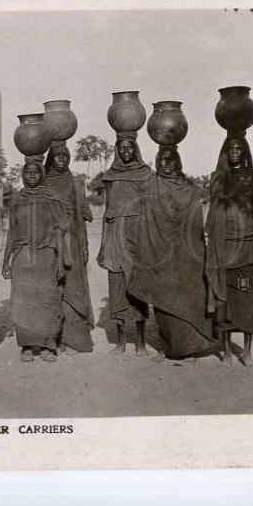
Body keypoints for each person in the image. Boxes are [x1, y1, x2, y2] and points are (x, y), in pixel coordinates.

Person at [128, 146, 218, 361]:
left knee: (190, 297)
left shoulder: (189, 187)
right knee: (164, 299)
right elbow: (145, 221)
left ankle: (193, 348)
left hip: (187, 254)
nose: (166, 164)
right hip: (160, 253)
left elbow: (195, 222)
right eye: (162, 160)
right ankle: (168, 348)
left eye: (170, 160)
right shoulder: (151, 186)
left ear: (178, 161)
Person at [204, 136, 253, 366]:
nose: (235, 152)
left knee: (247, 300)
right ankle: (227, 351)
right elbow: (212, 214)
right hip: (224, 247)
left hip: (248, 246)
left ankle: (248, 351)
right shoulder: (218, 180)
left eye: (239, 148)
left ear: (245, 152)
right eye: (231, 148)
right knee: (224, 300)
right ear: (225, 152)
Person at [2, 161, 68, 363]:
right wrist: (6, 262)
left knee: (47, 300)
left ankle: (49, 346)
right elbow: (12, 231)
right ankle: (27, 346)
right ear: (23, 175)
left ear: (41, 174)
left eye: (35, 172)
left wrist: (60, 260)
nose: (31, 175)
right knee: (23, 302)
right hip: (22, 257)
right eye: (27, 172)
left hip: (46, 255)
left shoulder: (51, 198)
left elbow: (61, 230)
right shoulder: (17, 199)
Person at [97, 134, 153, 356]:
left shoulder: (146, 175)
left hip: (136, 237)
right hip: (114, 239)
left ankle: (140, 342)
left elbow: (150, 209)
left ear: (135, 149)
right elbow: (107, 210)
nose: (126, 152)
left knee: (138, 288)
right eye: (122, 148)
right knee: (117, 287)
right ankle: (120, 342)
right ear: (117, 151)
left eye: (130, 148)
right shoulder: (111, 177)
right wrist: (103, 244)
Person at [43, 142, 95, 354]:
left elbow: (84, 217)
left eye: (66, 156)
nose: (62, 159)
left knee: (74, 287)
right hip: (51, 243)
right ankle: (55, 338)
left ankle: (76, 338)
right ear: (50, 159)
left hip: (73, 241)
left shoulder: (76, 183)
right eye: (58, 156)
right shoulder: (43, 183)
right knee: (54, 287)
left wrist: (84, 245)